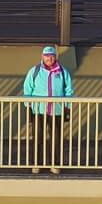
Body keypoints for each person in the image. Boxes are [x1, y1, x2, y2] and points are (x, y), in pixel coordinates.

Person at [22, 45, 73, 174]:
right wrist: (27, 107)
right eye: (46, 56)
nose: (49, 58)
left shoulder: (63, 72)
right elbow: (27, 89)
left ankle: (54, 164)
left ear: (55, 57)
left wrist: (67, 108)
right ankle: (36, 163)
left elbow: (69, 91)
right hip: (38, 110)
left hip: (57, 110)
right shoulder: (34, 71)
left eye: (51, 56)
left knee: (56, 138)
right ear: (42, 57)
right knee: (37, 138)